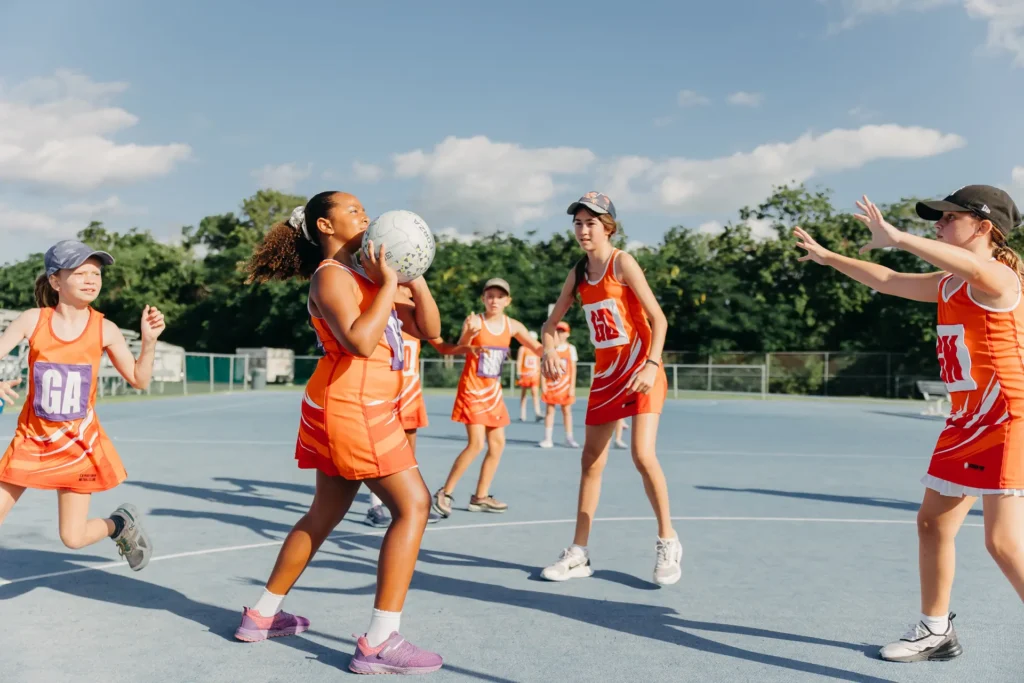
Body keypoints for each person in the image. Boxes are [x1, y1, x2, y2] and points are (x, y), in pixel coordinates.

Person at [795, 186, 1024, 663]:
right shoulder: (948, 283)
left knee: (1002, 542)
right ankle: (936, 631)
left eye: (949, 218)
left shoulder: (999, 278)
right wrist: (829, 257)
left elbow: (976, 269)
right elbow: (887, 280)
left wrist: (898, 237)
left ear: (984, 227)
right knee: (932, 524)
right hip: (966, 422)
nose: (938, 224)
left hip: (1005, 418)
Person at [236, 192, 443, 676]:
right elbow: (359, 341)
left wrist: (412, 273)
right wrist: (389, 284)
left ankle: (262, 615)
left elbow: (430, 328)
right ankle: (379, 641)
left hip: (354, 405)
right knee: (414, 506)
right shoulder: (331, 276)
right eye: (352, 211)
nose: (364, 216)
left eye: (364, 210)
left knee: (324, 513)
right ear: (325, 226)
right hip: (354, 406)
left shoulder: (368, 275)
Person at [538, 192, 682, 585]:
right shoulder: (578, 273)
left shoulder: (623, 263)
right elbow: (550, 326)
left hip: (641, 369)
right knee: (590, 462)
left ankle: (668, 540)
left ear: (608, 228)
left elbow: (659, 319)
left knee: (642, 455)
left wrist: (652, 365)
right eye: (578, 223)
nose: (583, 230)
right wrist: (548, 349)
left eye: (591, 223)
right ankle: (579, 553)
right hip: (606, 377)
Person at [0, 239, 160, 571]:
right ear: (55, 281)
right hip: (32, 441)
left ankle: (120, 524)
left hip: (78, 446)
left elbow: (139, 379)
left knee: (73, 538)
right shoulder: (32, 320)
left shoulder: (105, 329)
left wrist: (148, 342)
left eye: (96, 273)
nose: (91, 280)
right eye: (80, 273)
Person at [430, 279, 543, 518]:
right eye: (490, 296)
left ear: (508, 301)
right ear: (483, 299)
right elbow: (460, 348)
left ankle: (480, 497)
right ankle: (445, 492)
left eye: (500, 297)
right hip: (472, 389)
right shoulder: (475, 322)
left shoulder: (513, 326)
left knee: (498, 443)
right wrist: (469, 334)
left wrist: (553, 355)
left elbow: (536, 347)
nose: (494, 300)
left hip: (493, 393)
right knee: (476, 444)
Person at [364, 332, 442, 528]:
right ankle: (375, 507)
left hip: (410, 396)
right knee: (381, 454)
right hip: (384, 393)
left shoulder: (417, 324)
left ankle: (412, 504)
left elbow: (443, 346)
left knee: (408, 456)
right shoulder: (382, 319)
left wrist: (468, 343)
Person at [538, 321, 579, 448]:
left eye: (563, 331)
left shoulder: (571, 349)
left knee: (567, 411)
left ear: (568, 334)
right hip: (551, 384)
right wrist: (543, 384)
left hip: (565, 385)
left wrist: (572, 387)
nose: (560, 334)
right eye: (558, 331)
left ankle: (569, 437)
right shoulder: (549, 349)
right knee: (549, 411)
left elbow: (573, 369)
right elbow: (543, 367)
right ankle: (547, 438)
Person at [516, 331, 542, 422]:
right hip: (525, 374)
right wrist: (518, 372)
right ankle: (522, 414)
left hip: (534, 375)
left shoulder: (538, 348)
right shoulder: (523, 348)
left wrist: (538, 372)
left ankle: (537, 412)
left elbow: (538, 362)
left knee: (535, 393)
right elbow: (519, 361)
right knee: (523, 394)